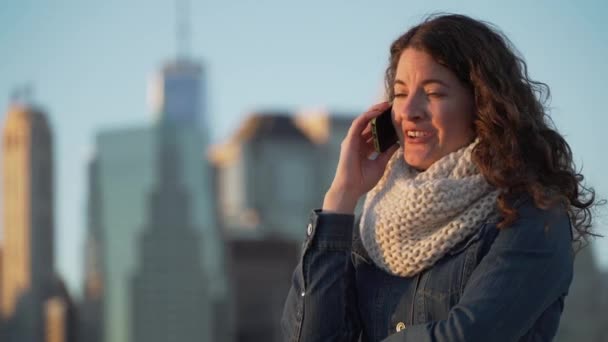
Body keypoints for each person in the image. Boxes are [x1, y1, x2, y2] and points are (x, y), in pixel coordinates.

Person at [281, 13, 600, 342]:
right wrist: (342, 196)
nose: (409, 110)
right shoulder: (370, 227)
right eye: (401, 94)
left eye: (433, 93)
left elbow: (468, 335)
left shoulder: (532, 217)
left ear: (483, 105)